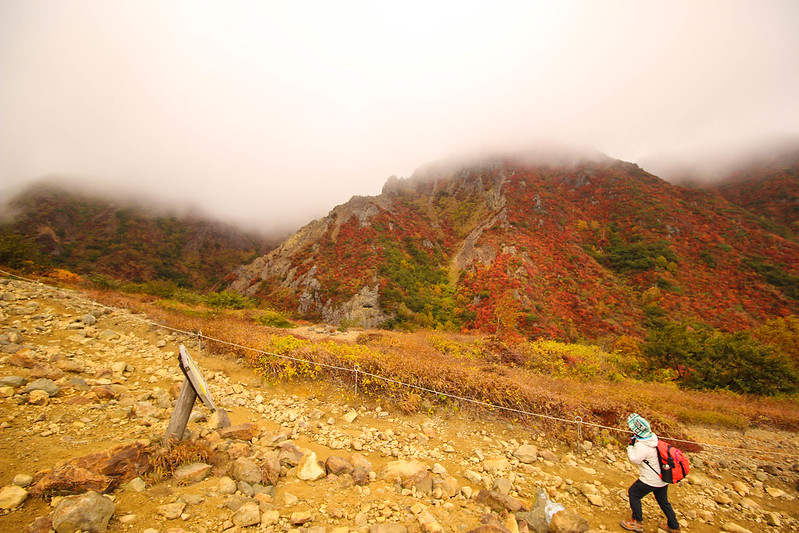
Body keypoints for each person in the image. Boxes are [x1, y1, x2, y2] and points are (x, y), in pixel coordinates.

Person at [620, 413, 681, 533]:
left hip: (651, 479)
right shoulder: (653, 438)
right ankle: (674, 526)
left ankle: (637, 521)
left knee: (634, 493)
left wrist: (631, 446)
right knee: (663, 501)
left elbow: (634, 459)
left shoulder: (643, 446)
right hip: (663, 477)